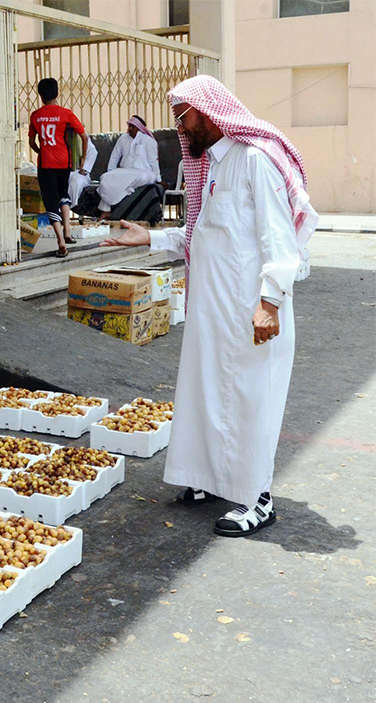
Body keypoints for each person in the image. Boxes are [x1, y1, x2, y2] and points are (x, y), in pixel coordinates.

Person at [102, 75, 317, 537]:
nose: (180, 128)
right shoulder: (213, 165)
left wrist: (270, 303)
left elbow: (280, 240)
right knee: (209, 395)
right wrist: (148, 237)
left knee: (252, 401)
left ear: (208, 111)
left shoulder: (254, 160)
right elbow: (200, 235)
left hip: (250, 311)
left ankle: (258, 498)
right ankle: (213, 481)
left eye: (183, 117)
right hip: (213, 312)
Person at [27, 78, 88, 257]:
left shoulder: (36, 115)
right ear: (57, 93)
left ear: (40, 95)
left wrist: (42, 151)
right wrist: (82, 158)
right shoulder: (66, 114)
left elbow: (32, 142)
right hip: (64, 162)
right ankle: (67, 231)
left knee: (50, 201)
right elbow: (84, 136)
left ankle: (61, 241)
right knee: (63, 194)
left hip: (46, 164)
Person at [96, 115, 160, 221]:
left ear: (139, 128)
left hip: (145, 172)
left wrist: (159, 179)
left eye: (132, 127)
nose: (129, 129)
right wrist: (111, 172)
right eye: (129, 126)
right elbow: (115, 156)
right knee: (105, 178)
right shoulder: (123, 138)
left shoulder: (148, 141)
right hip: (125, 172)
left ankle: (127, 190)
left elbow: (154, 161)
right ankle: (106, 210)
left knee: (144, 177)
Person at [66, 134, 97, 208]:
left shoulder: (87, 143)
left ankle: (68, 207)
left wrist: (83, 168)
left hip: (79, 174)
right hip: (60, 171)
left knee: (76, 181)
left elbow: (83, 171)